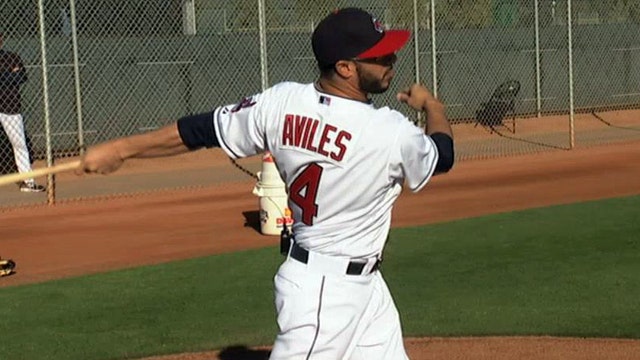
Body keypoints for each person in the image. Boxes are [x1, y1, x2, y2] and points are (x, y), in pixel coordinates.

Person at [78, 7, 454, 359]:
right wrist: (431, 106)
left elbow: (199, 130)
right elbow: (442, 155)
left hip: (361, 288)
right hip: (326, 293)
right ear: (344, 67)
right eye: (380, 56)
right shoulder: (388, 131)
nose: (391, 61)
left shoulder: (280, 103)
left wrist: (121, 149)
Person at [0, 32, 45, 192]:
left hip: (9, 107)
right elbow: (13, 77)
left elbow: (21, 77)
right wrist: (9, 74)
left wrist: (5, 77)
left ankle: (28, 182)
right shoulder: (11, 62)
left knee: (19, 144)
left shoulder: (11, 56)